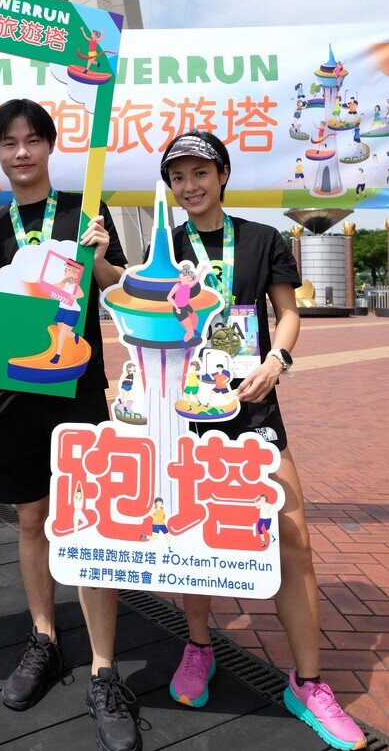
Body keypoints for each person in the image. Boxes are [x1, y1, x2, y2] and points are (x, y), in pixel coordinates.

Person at [159, 130, 366, 751]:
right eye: (178, 177)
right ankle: (199, 647)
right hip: (185, 414)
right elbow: (131, 295)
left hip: (252, 407)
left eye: (200, 172)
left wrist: (277, 358)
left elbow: (289, 311)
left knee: (293, 538)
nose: (190, 186)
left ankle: (307, 684)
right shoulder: (164, 246)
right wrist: (102, 258)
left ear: (222, 174)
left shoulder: (263, 239)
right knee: (191, 536)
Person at [0, 99, 140, 751]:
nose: (21, 151)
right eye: (8, 142)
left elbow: (119, 291)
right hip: (8, 399)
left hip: (77, 388)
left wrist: (102, 259)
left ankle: (102, 667)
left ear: (49, 146)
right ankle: (44, 638)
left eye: (32, 139)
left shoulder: (85, 211)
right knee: (32, 520)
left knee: (87, 522)